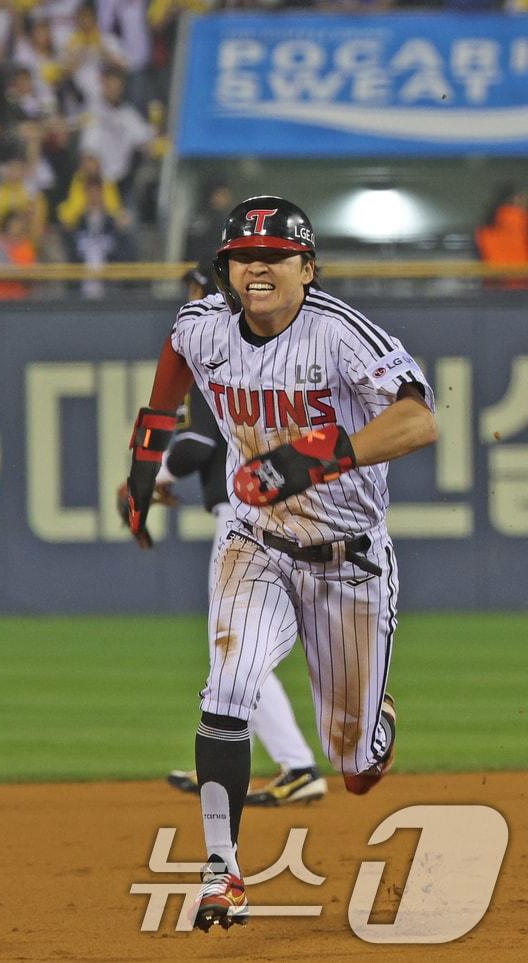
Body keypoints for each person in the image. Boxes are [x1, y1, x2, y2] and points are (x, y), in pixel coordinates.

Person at [121, 197, 437, 932]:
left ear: (307, 267)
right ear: (225, 270)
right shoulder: (203, 327)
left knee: (352, 761)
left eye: (273, 254)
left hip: (348, 560)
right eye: (240, 256)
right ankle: (222, 872)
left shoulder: (339, 333)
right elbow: (171, 375)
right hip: (256, 541)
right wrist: (143, 472)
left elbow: (419, 417)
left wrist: (314, 456)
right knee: (228, 687)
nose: (255, 265)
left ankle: (372, 728)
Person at [142, 266, 327, 809]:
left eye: (196, 288)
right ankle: (236, 760)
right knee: (239, 655)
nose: (190, 299)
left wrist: (152, 479)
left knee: (235, 655)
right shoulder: (271, 342)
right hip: (297, 511)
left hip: (249, 519)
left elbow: (197, 442)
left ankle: (287, 764)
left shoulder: (217, 345)